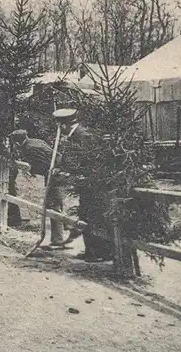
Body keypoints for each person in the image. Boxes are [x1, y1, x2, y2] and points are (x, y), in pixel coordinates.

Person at [58, 109, 114, 262]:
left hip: (93, 185)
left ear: (64, 125)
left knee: (94, 217)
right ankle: (91, 251)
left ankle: (98, 253)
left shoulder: (83, 136)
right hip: (87, 184)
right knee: (86, 216)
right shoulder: (77, 135)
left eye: (59, 126)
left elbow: (91, 160)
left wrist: (77, 173)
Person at [10, 129, 80, 247]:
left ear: (17, 143)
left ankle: (60, 239)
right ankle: (71, 227)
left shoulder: (30, 148)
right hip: (55, 173)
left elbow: (45, 165)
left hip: (56, 174)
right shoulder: (35, 141)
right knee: (52, 203)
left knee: (53, 206)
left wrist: (30, 169)